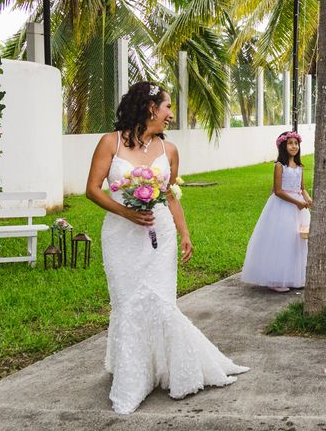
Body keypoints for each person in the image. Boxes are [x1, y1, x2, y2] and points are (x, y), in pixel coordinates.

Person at [85, 82, 248, 414]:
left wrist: (184, 232)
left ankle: (171, 370)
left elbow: (170, 193)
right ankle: (132, 378)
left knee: (161, 302)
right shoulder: (109, 143)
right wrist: (127, 212)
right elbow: (93, 190)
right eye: (167, 107)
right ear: (149, 108)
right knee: (128, 302)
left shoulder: (168, 149)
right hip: (121, 235)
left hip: (160, 234)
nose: (171, 115)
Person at [241, 131, 312, 291]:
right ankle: (277, 279)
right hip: (283, 206)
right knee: (282, 241)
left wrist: (307, 199)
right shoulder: (280, 166)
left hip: (298, 207)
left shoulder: (300, 167)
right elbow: (278, 191)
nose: (294, 146)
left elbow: (302, 188)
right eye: (290, 143)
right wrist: (297, 203)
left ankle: (295, 277)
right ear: (283, 146)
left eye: (296, 143)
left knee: (297, 241)